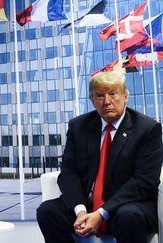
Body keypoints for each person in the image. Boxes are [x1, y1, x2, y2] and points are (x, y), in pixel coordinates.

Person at [37, 71, 163, 243]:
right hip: (87, 204)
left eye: (113, 94)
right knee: (47, 211)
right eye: (100, 95)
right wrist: (81, 211)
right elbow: (68, 173)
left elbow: (144, 182)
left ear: (125, 96)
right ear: (92, 100)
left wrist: (101, 213)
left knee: (129, 217)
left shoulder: (148, 129)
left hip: (127, 203)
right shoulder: (78, 126)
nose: (107, 101)